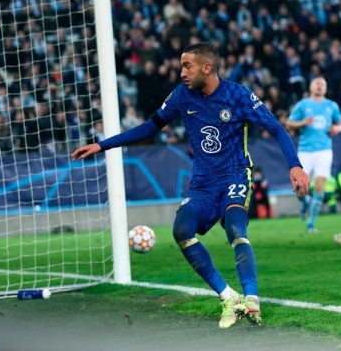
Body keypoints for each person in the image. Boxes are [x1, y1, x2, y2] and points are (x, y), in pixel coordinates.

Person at [71, 43, 310, 328]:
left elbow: (276, 128)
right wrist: (102, 145)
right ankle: (229, 298)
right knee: (182, 231)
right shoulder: (182, 96)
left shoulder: (238, 95)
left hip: (235, 174)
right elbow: (150, 126)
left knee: (235, 227)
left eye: (187, 66)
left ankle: (252, 299)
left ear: (206, 68)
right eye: (181, 66)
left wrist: (294, 165)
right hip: (203, 182)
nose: (182, 72)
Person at [285, 77, 341, 232]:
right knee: (301, 189)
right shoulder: (303, 105)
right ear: (311, 87)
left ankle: (311, 223)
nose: (320, 86)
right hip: (305, 151)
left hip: (324, 151)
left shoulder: (331, 105)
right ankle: (305, 203)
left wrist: (337, 129)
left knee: (319, 186)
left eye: (323, 84)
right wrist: (303, 123)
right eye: (317, 84)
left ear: (325, 88)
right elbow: (289, 123)